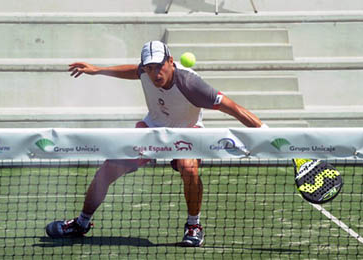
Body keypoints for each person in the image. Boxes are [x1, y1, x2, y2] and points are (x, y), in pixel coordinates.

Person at [45, 40, 267, 247]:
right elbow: (134, 71)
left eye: (159, 66)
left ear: (171, 62)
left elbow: (234, 108)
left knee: (189, 168)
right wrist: (97, 70)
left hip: (187, 130)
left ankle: (193, 226)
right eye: (149, 67)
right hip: (152, 128)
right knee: (107, 170)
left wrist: (269, 134)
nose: (154, 73)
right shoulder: (145, 71)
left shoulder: (190, 84)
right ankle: (81, 223)